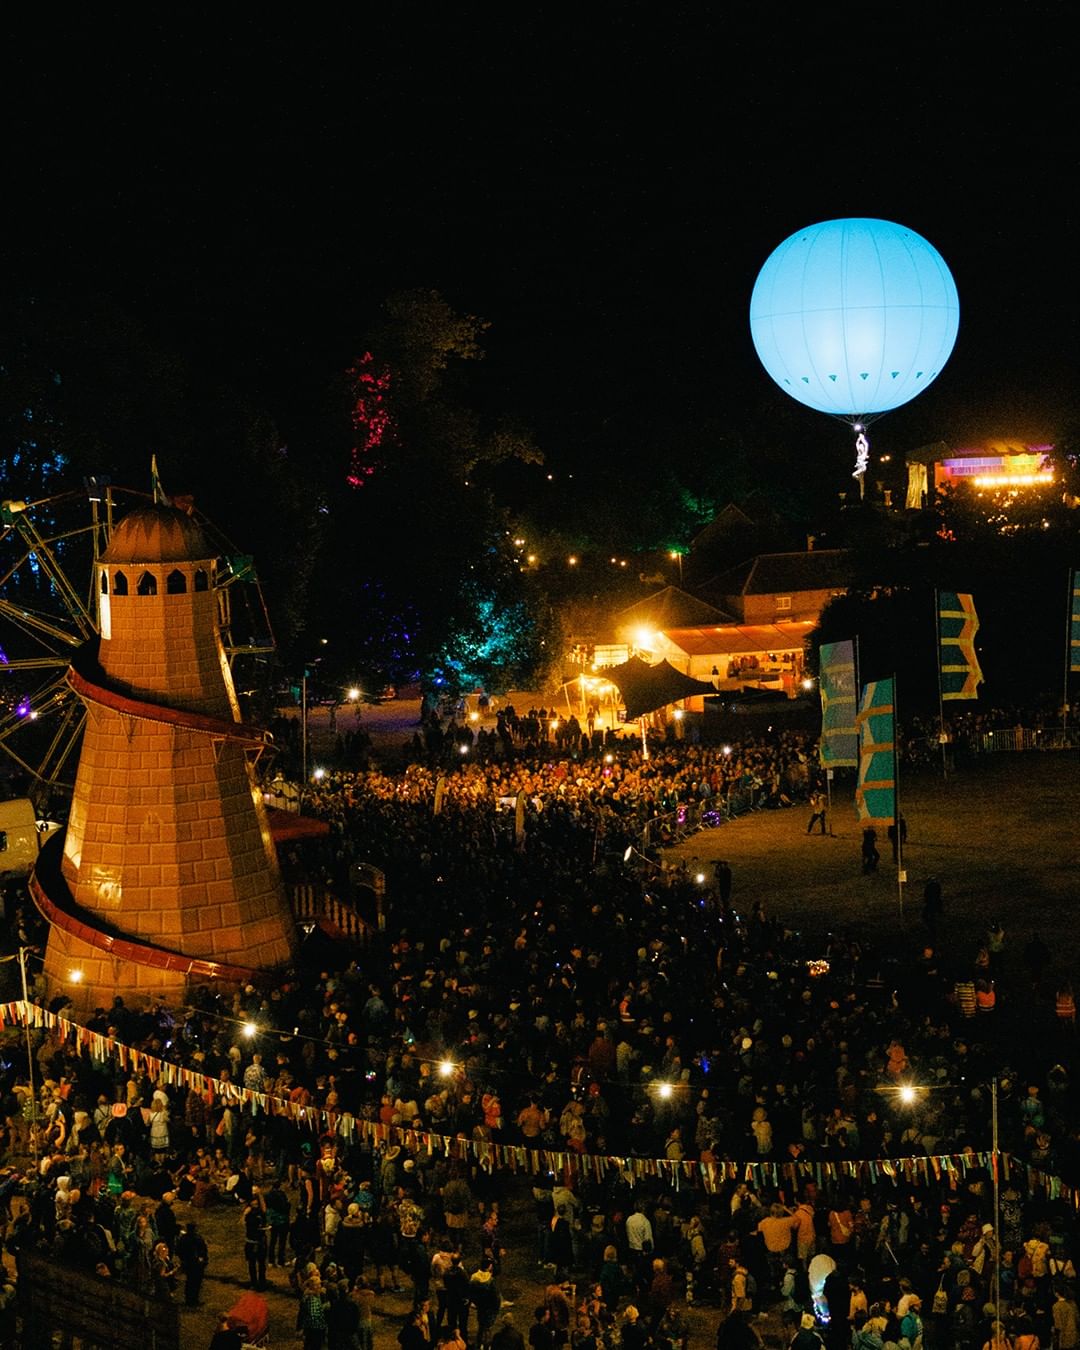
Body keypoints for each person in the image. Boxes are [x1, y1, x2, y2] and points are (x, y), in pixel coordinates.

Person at [176, 1220, 209, 1306]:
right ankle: (194, 1300)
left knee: (189, 1281)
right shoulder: (197, 1239)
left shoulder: (183, 1238)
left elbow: (178, 1250)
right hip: (196, 1264)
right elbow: (203, 1251)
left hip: (187, 1263)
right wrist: (203, 1260)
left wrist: (183, 1259)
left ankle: (188, 1299)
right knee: (196, 1282)